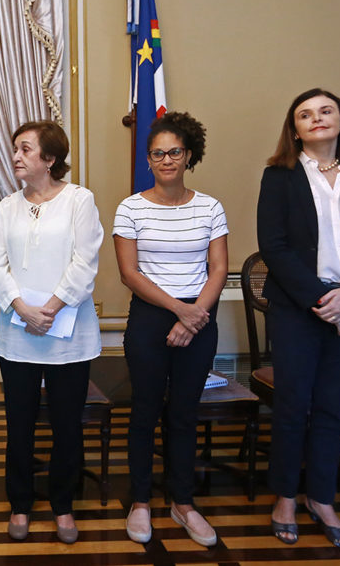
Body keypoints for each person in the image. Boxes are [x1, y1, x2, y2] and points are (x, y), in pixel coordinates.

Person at [258, 88, 340, 550]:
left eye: (326, 111)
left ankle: (322, 498)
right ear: (295, 129)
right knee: (293, 406)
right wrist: (326, 303)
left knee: (333, 405)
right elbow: (275, 247)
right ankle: (285, 498)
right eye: (306, 115)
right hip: (298, 310)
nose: (317, 119)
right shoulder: (279, 176)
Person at [113, 111, 228, 548]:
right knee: (144, 411)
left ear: (189, 155)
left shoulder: (210, 206)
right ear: (149, 159)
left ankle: (183, 502)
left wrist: (195, 314)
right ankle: (140, 500)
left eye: (174, 152)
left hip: (199, 318)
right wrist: (179, 310)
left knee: (183, 413)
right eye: (157, 153)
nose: (166, 160)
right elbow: (130, 273)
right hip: (150, 318)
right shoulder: (131, 207)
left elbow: (217, 268)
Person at [0, 121, 103, 544]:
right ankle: (20, 504)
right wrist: (22, 308)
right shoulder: (8, 206)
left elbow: (85, 261)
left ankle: (63, 505)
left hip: (69, 334)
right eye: (15, 149)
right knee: (18, 424)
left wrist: (51, 308)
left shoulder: (79, 200)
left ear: (50, 158)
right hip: (18, 333)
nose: (16, 156)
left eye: (25, 149)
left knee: (66, 426)